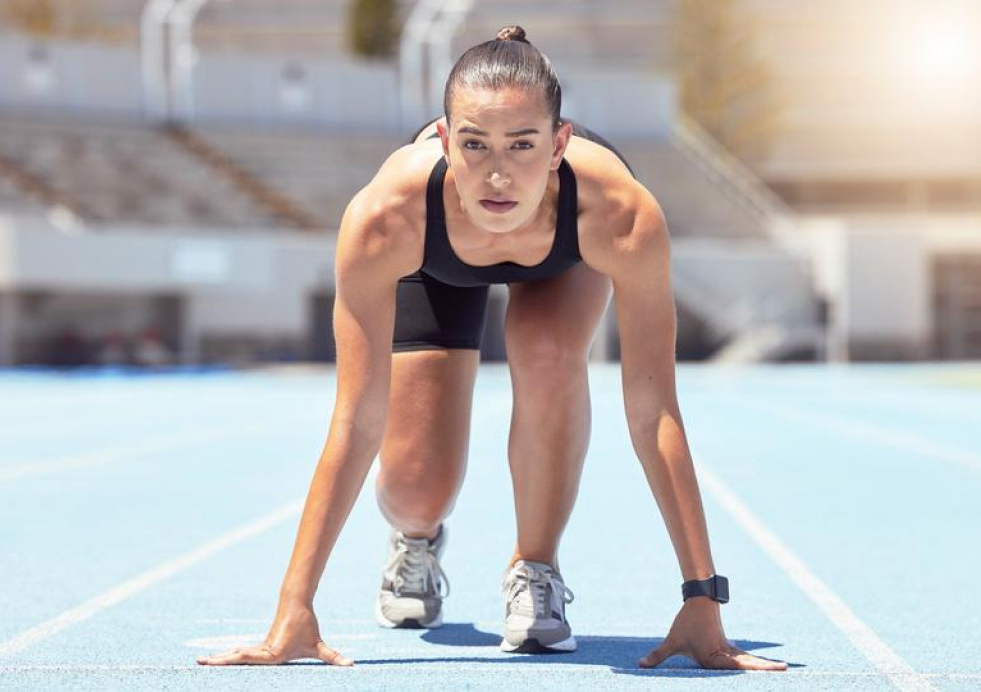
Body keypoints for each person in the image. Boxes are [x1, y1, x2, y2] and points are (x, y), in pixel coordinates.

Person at [197, 26, 787, 671]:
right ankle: (416, 540)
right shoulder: (387, 218)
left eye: (523, 145)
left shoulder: (617, 214)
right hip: (438, 258)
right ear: (445, 141)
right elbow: (356, 416)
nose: (498, 172)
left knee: (546, 352)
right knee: (417, 488)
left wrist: (703, 597)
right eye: (475, 145)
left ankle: (535, 568)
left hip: (563, 250)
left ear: (560, 144)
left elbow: (654, 412)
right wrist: (295, 605)